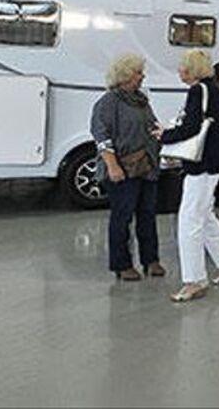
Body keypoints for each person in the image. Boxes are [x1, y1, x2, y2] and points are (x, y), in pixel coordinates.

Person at [158, 50, 219, 303]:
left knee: (189, 219)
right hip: (216, 160)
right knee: (204, 213)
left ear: (192, 69)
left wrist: (165, 135)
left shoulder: (198, 91)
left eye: (183, 67)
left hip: (202, 162)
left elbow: (192, 126)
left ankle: (194, 280)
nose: (180, 71)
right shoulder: (215, 90)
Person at [90, 53, 165, 281]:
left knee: (147, 215)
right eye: (138, 72)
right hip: (122, 169)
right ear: (124, 75)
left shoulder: (141, 100)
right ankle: (121, 264)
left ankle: (151, 260)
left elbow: (152, 127)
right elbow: (101, 135)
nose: (142, 77)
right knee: (122, 217)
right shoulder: (108, 102)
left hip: (146, 167)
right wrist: (113, 166)